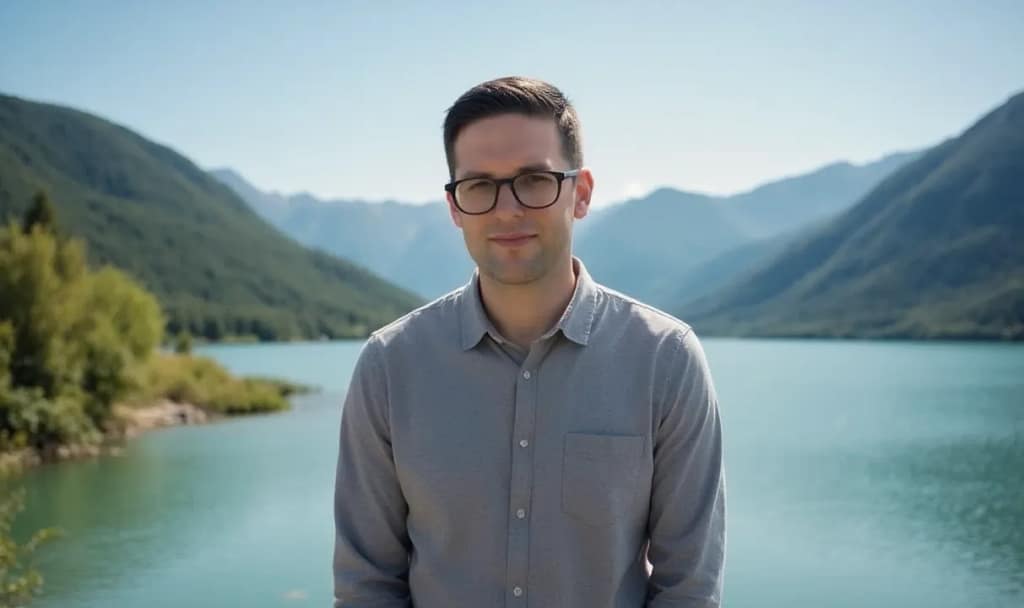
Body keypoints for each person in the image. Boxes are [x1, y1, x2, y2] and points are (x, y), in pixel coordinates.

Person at [333, 76, 726, 607]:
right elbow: (367, 585)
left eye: (534, 180)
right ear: (453, 206)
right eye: (479, 186)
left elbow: (689, 587)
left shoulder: (666, 359)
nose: (507, 209)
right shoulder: (389, 365)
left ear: (580, 193)